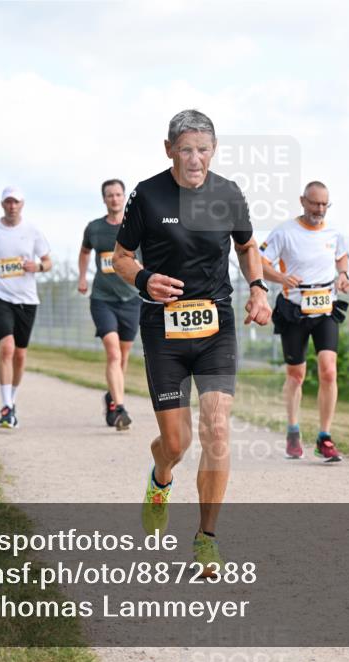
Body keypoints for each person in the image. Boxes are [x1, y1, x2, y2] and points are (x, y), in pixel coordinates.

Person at [112, 109, 271, 574]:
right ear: (169, 151)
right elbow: (120, 257)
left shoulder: (228, 194)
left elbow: (246, 246)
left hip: (216, 325)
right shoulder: (147, 194)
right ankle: (160, 478)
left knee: (217, 429)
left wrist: (258, 288)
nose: (195, 159)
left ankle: (206, 538)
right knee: (176, 443)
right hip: (163, 329)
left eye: (203, 149)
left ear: (214, 150)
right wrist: (144, 278)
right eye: (186, 149)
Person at [261, 181, 349, 463]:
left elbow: (341, 257)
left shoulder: (334, 232)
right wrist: (281, 278)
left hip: (325, 309)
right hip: (294, 311)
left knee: (329, 371)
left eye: (325, 204)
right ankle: (293, 430)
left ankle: (325, 437)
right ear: (302, 201)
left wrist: (343, 275)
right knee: (296, 375)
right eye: (315, 203)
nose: (320, 209)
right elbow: (260, 262)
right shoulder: (285, 232)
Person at [0, 186, 52, 428]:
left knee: (20, 354)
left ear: (22, 204)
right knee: (6, 347)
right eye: (8, 202)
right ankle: (6, 406)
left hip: (27, 299)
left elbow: (48, 261)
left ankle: (12, 400)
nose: (12, 206)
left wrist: (37, 267)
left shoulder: (33, 231)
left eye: (16, 202)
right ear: (2, 204)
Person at [78, 178, 140, 430]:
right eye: (109, 195)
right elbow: (84, 252)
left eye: (118, 194)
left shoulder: (136, 225)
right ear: (104, 199)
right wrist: (82, 277)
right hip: (102, 299)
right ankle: (121, 408)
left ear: (124, 197)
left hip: (131, 299)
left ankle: (112, 398)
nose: (114, 199)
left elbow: (148, 255)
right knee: (113, 353)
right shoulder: (94, 228)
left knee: (123, 357)